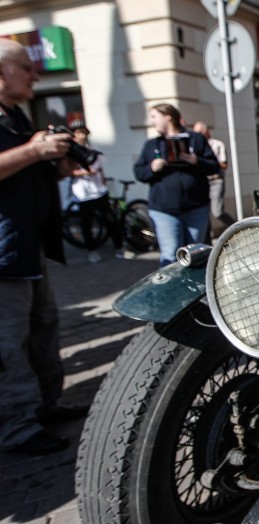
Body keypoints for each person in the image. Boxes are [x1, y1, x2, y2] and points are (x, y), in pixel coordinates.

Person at [0, 39, 88, 455]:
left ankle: (45, 406)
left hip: (27, 249)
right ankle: (16, 429)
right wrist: (35, 150)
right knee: (8, 346)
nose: (36, 75)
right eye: (26, 68)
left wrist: (59, 164)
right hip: (3, 255)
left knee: (43, 334)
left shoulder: (15, 116)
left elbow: (25, 179)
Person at [133, 104, 219, 267]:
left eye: (154, 117)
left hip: (196, 208)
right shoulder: (152, 145)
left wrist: (196, 161)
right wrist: (152, 168)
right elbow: (139, 172)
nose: (151, 122)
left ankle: (195, 290)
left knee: (196, 253)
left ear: (168, 116)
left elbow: (214, 166)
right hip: (164, 211)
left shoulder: (196, 139)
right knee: (170, 255)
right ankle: (172, 291)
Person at [67, 122, 132, 262]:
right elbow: (66, 171)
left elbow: (101, 167)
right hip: (82, 193)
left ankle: (119, 247)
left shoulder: (93, 149)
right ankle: (92, 251)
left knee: (110, 219)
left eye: (83, 132)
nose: (81, 135)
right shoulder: (70, 152)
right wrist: (84, 172)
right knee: (87, 223)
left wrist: (102, 181)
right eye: (78, 132)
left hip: (98, 190)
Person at [193, 121, 234, 239]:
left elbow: (224, 164)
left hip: (216, 180)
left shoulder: (217, 144)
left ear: (206, 131)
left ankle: (236, 228)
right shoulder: (196, 146)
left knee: (217, 212)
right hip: (203, 181)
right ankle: (207, 240)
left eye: (200, 132)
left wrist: (207, 163)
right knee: (204, 213)